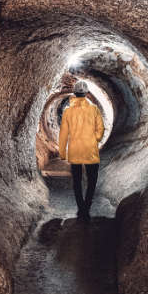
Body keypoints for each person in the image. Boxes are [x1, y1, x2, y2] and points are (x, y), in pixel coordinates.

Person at [58, 80, 104, 221]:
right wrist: (94, 139)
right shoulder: (94, 109)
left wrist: (62, 152)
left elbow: (64, 133)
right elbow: (100, 129)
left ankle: (80, 209)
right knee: (92, 180)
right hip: (90, 150)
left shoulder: (68, 112)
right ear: (87, 93)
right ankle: (87, 208)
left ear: (74, 93)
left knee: (77, 181)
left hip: (75, 151)